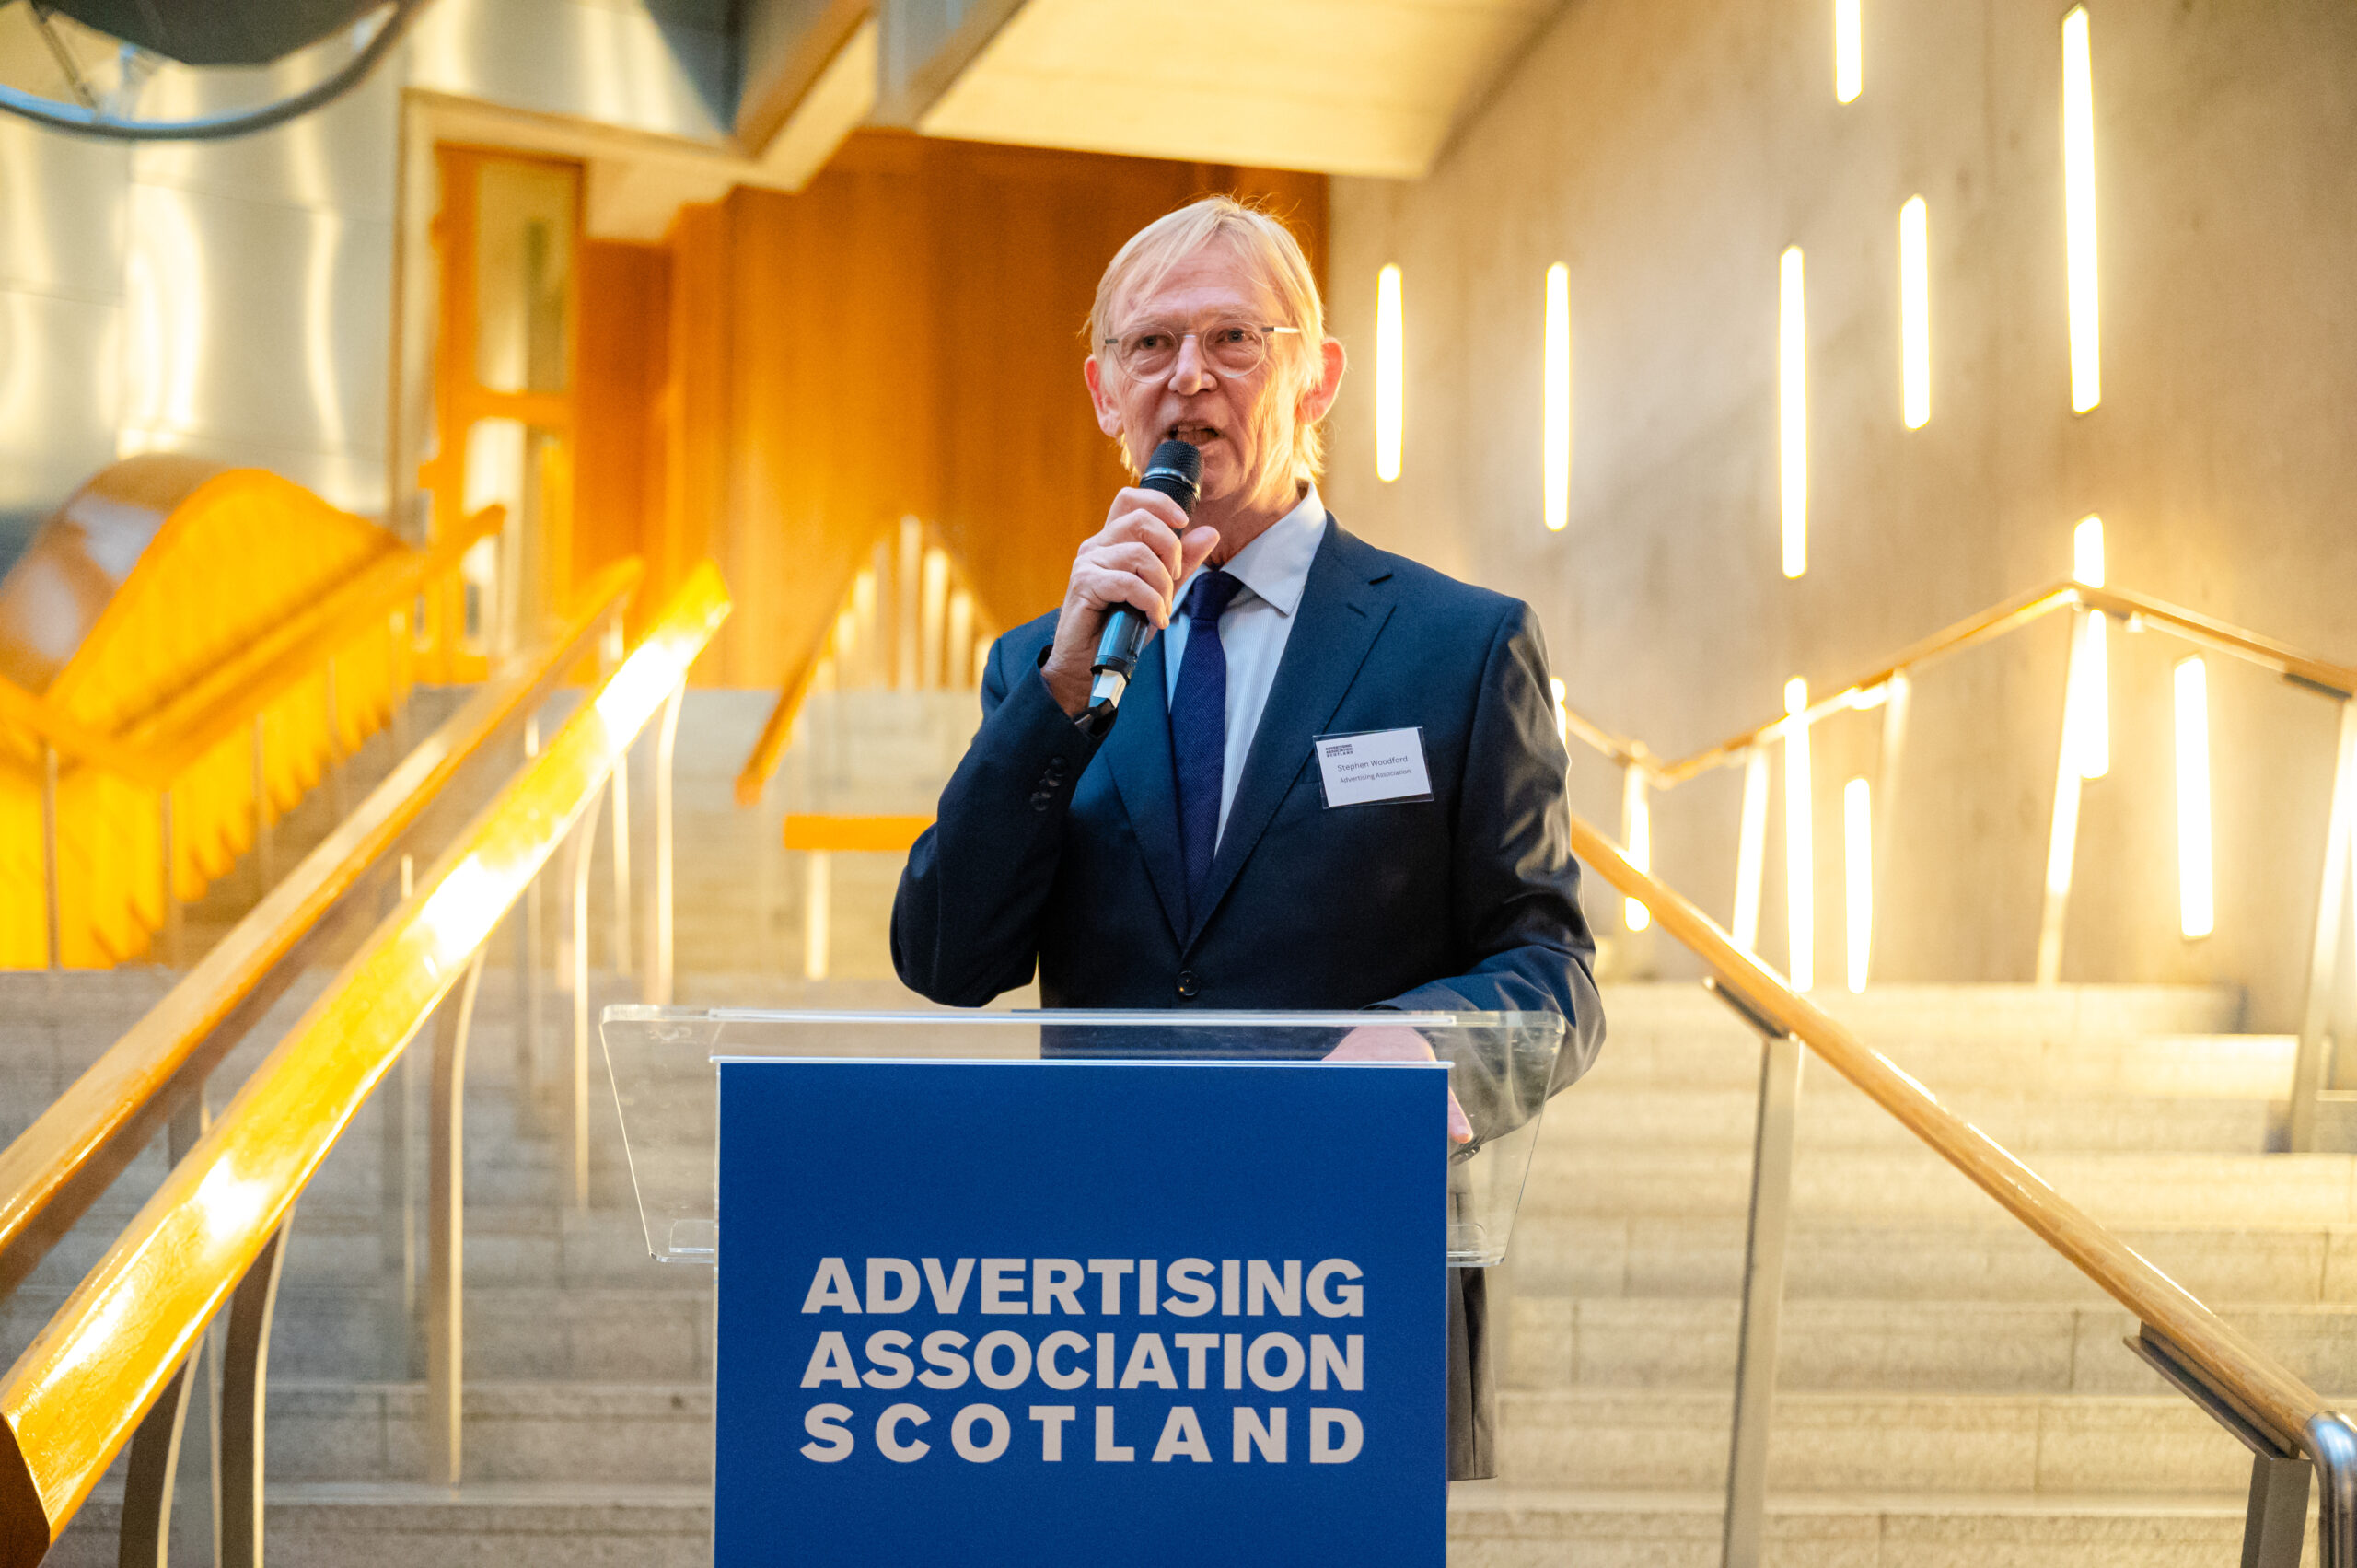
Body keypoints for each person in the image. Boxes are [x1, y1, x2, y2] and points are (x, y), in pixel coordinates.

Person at [891, 195, 1604, 1482]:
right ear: (1104, 392)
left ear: (1315, 378)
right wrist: (1056, 699)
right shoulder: (1044, 667)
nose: (1189, 377)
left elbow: (1552, 973)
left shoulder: (1460, 647)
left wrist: (1428, 1048)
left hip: (1349, 1278)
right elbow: (947, 957)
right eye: (1151, 345)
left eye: (1234, 338)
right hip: (1095, 1288)